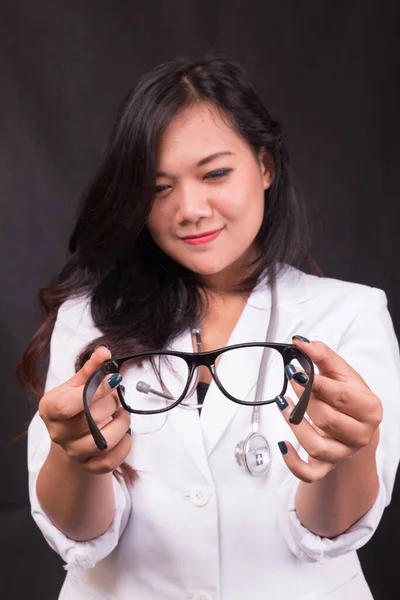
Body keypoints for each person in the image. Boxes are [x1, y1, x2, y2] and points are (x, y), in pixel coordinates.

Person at [21, 54, 400, 600]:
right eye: (158, 188)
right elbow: (80, 538)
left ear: (265, 167)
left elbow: (328, 534)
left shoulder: (349, 313)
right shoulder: (91, 317)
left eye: (215, 173)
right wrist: (74, 457)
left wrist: (351, 455)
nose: (190, 209)